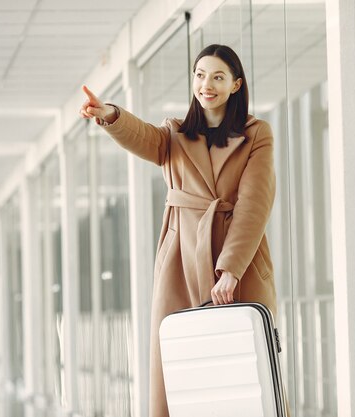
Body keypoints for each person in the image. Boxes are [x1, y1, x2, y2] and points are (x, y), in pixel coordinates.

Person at [80, 44, 278, 417]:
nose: (207, 84)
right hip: (180, 259)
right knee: (178, 365)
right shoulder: (174, 133)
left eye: (218, 77)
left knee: (240, 373)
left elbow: (254, 204)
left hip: (239, 261)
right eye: (200, 75)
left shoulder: (256, 134)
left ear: (236, 85)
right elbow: (142, 136)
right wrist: (109, 114)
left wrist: (230, 270)